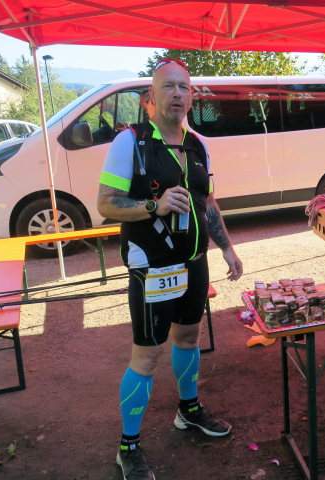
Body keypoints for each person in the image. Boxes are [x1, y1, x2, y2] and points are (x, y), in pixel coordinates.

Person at [97, 57, 243, 480]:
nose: (177, 94)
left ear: (191, 96)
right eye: (168, 86)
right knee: (146, 356)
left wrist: (227, 249)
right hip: (153, 267)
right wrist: (152, 206)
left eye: (184, 87)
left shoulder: (198, 144)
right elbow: (105, 202)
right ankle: (128, 448)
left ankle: (188, 410)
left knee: (189, 338)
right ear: (151, 96)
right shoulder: (131, 142)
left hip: (194, 262)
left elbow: (207, 202)